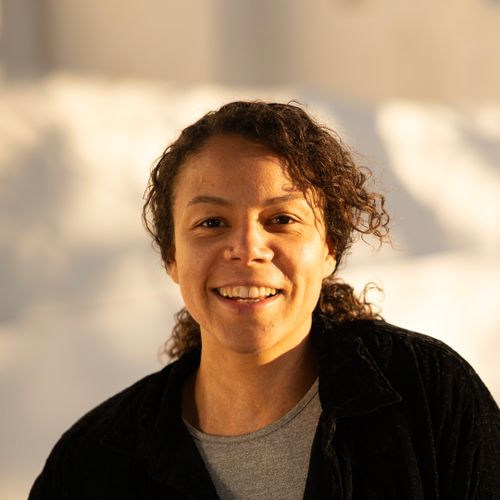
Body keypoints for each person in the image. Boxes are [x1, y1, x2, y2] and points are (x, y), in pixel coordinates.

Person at [30, 101, 499, 499]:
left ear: (329, 249)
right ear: (172, 256)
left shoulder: (428, 395)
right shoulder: (91, 464)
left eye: (281, 220)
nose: (248, 248)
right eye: (211, 223)